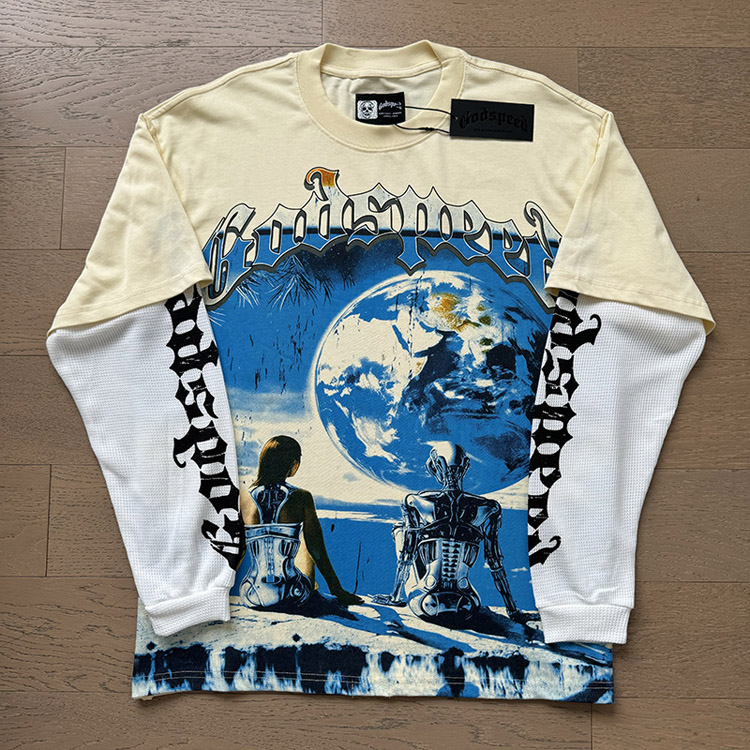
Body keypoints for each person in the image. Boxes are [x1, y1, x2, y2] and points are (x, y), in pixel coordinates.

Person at [239, 435, 363, 608]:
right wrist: (337, 589)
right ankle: (317, 591)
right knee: (306, 538)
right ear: (293, 464)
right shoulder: (301, 497)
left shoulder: (244, 498)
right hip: (291, 594)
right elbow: (317, 549)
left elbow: (238, 549)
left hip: (252, 594)